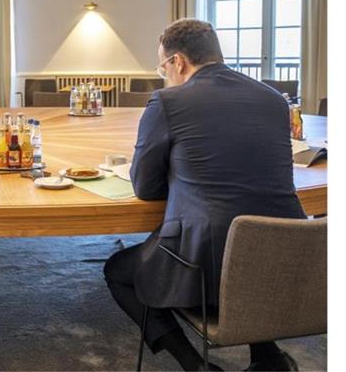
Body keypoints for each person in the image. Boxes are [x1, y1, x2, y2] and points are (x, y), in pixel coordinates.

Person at [103, 19, 304, 372]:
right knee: (247, 227)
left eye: (163, 66)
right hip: (285, 262)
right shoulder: (273, 100)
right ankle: (268, 357)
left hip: (206, 270)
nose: (164, 75)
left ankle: (196, 367)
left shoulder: (167, 101)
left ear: (178, 62)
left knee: (119, 271)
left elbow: (145, 187)